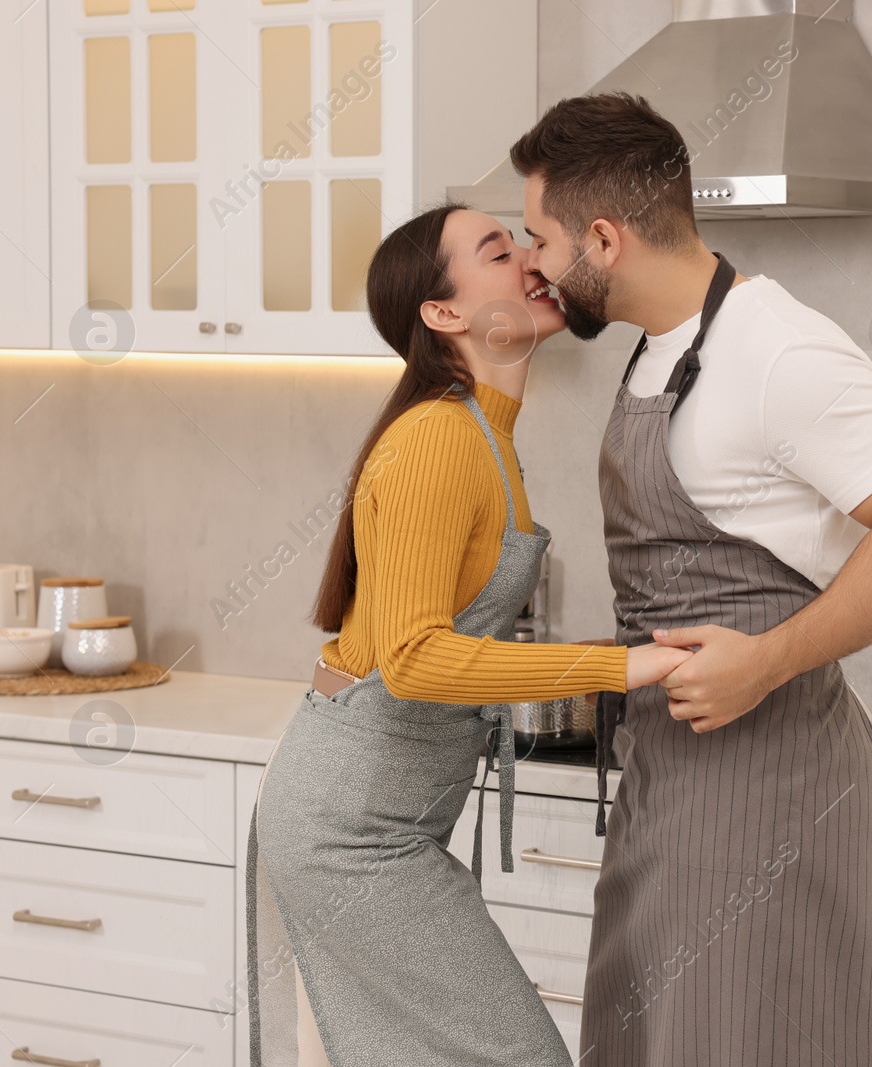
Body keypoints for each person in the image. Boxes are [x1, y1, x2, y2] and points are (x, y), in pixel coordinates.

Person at [511, 92, 872, 1065]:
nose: (536, 268)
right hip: (669, 778)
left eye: (540, 240)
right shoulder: (660, 349)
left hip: (769, 785)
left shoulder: (776, 347)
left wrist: (767, 658)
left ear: (603, 237)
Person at [245, 203, 692, 1066]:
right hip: (351, 826)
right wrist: (621, 665)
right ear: (444, 314)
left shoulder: (485, 431)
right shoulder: (438, 440)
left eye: (523, 238)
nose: (531, 254)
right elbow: (413, 662)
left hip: (384, 814)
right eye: (498, 248)